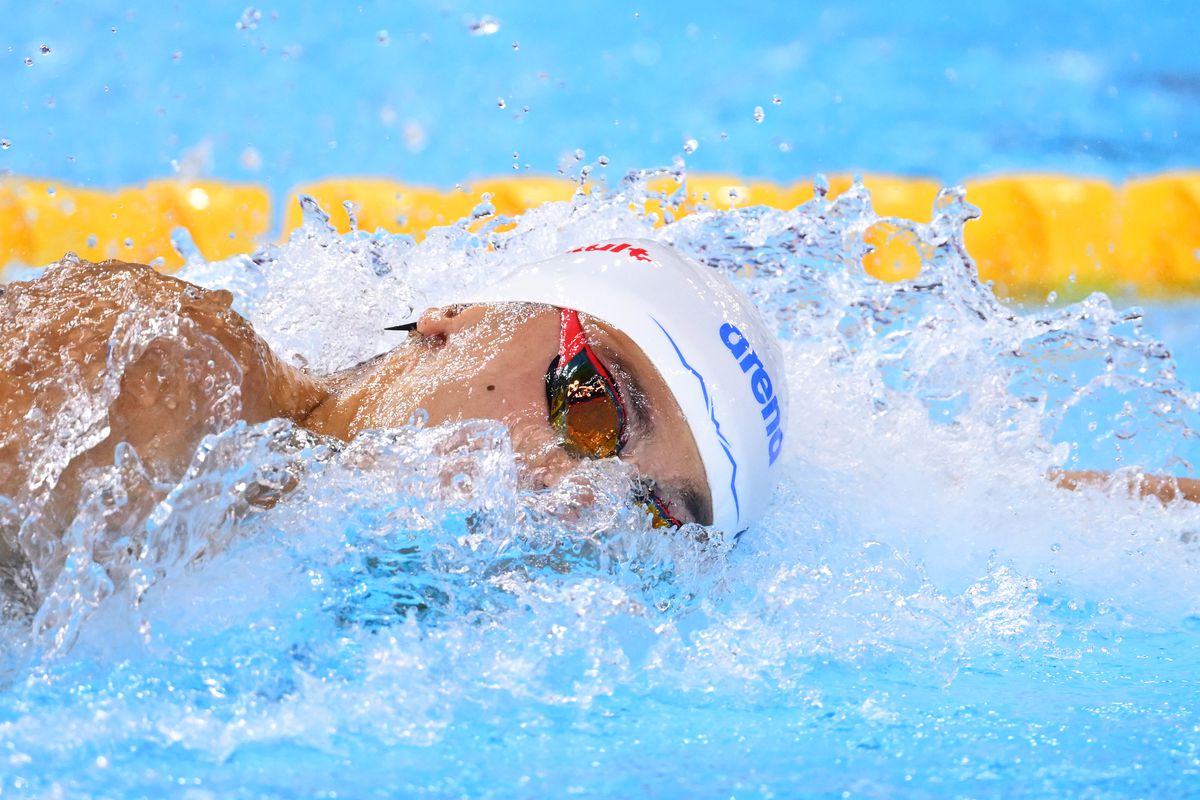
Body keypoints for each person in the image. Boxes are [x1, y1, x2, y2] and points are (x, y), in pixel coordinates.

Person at [0, 240, 788, 552]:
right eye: (592, 406)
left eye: (648, 507)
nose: (580, 493)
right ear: (458, 320)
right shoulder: (166, 373)